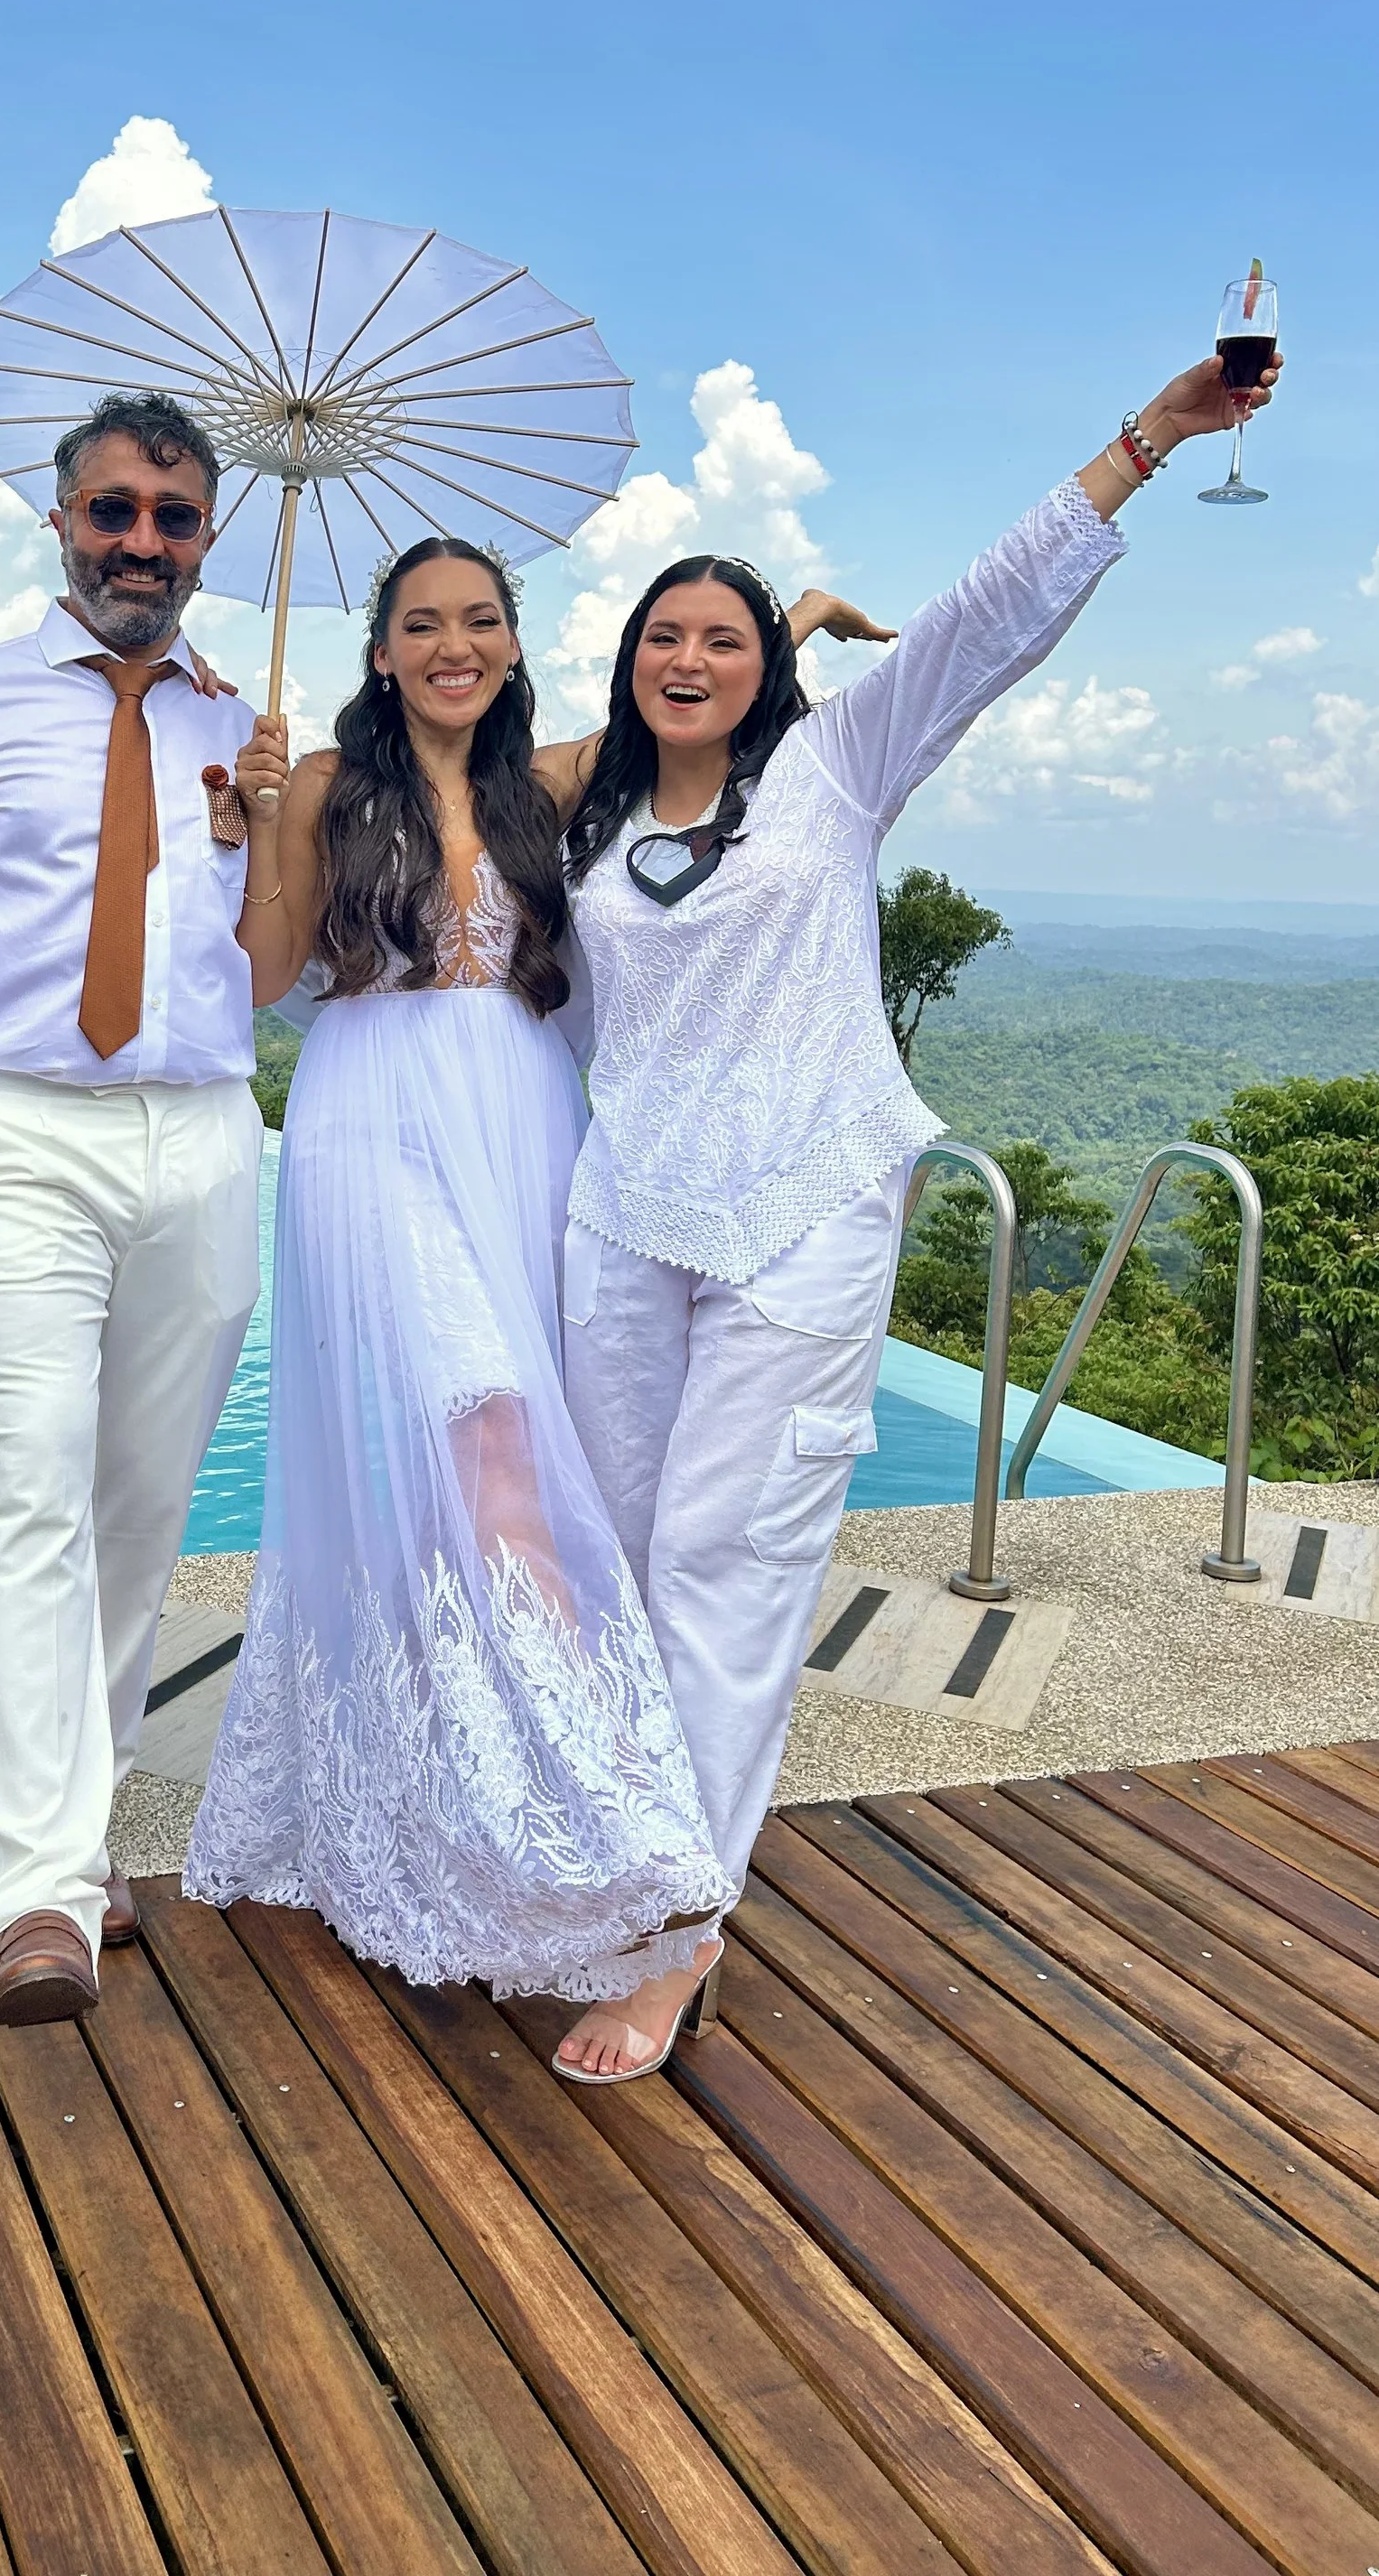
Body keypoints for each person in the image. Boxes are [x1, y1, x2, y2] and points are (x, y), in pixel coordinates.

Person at [540, 354, 1281, 2075]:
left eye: (727, 639)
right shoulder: (579, 818)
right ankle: (618, 1863)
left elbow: (982, 618)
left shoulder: (839, 768)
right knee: (626, 1571)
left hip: (802, 1215)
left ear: (769, 670)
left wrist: (1147, 440)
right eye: (667, 636)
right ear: (632, 658)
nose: (691, 660)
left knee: (726, 1569)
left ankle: (675, 1934)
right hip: (625, 1225)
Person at [183, 538, 731, 2065]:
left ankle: (501, 1790)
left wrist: (795, 617)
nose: (454, 644)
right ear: (379, 649)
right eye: (423, 623)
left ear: (508, 645)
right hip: (368, 1119)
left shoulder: (537, 786)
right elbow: (266, 972)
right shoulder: (316, 787)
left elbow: (682, 716)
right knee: (477, 1431)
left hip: (523, 1122)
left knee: (517, 1455)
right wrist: (262, 824)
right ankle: (593, 1802)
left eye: (480, 622)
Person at [0, 391, 286, 2026]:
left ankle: (78, 1843)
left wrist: (274, 823)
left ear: (207, 541)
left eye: (174, 520)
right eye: (116, 511)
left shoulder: (243, 726)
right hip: (20, 1122)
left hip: (204, 1131)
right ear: (61, 521)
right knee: (33, 1486)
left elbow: (272, 971)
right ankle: (29, 1892)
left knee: (141, 1502)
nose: (143, 544)